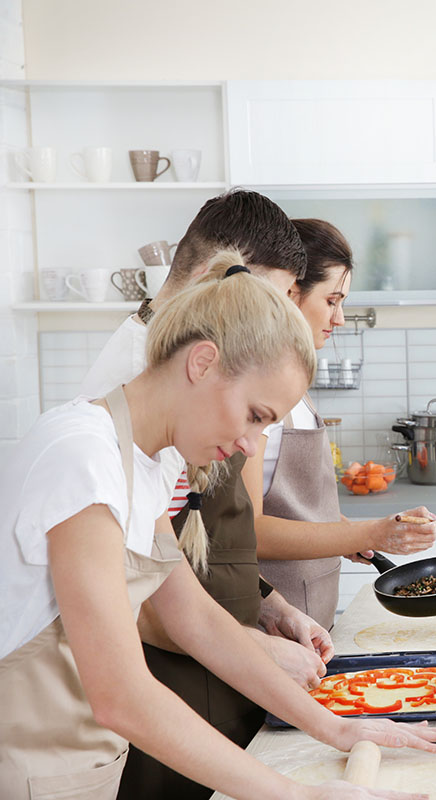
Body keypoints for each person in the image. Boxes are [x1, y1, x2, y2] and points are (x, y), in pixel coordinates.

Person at [0, 262, 436, 800]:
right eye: (255, 415)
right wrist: (298, 796)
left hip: (84, 762)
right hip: (34, 768)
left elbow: (196, 620)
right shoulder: (83, 457)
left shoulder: (144, 463)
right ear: (203, 362)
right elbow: (118, 693)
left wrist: (336, 728)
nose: (250, 444)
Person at [78, 191, 333, 800]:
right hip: (152, 696)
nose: (248, 445)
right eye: (263, 303)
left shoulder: (168, 420)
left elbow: (176, 574)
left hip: (208, 668)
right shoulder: (106, 429)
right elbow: (140, 612)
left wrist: (267, 608)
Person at [243, 218, 436, 629]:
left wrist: (369, 530)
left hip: (311, 617)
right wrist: (367, 535)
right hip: (274, 624)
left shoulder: (292, 379)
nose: (340, 318)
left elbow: (305, 512)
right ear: (291, 293)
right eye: (332, 301)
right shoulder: (258, 390)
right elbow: (248, 531)